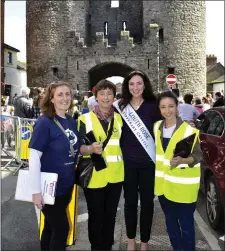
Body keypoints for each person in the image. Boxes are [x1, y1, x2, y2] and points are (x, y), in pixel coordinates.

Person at [28, 81, 80, 250]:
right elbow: (34, 158)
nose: (65, 98)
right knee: (62, 229)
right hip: (49, 188)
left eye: (67, 94)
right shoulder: (45, 122)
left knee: (50, 228)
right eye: (60, 94)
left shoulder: (71, 121)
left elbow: (74, 148)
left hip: (66, 185)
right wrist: (36, 192)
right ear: (51, 98)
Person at [114, 70, 161, 251]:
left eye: (139, 83)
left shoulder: (153, 106)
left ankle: (145, 242)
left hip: (149, 164)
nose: (135, 87)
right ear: (127, 86)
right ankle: (131, 240)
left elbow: (166, 124)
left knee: (148, 204)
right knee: (130, 203)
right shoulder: (119, 106)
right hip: (129, 164)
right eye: (131, 84)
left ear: (145, 85)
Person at [77, 79, 124, 250]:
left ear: (114, 96)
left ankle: (107, 246)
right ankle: (96, 246)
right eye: (102, 93)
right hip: (94, 177)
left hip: (116, 176)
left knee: (110, 216)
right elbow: (78, 148)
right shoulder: (84, 119)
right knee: (96, 216)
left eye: (109, 93)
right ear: (95, 96)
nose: (105, 97)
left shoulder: (120, 119)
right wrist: (89, 148)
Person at [154, 91, 202, 251]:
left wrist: (183, 160)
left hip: (184, 189)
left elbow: (197, 155)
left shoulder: (189, 130)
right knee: (171, 227)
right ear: (159, 108)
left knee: (187, 228)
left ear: (177, 107)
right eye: (163, 107)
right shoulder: (156, 128)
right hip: (164, 188)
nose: (167, 111)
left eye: (170, 106)